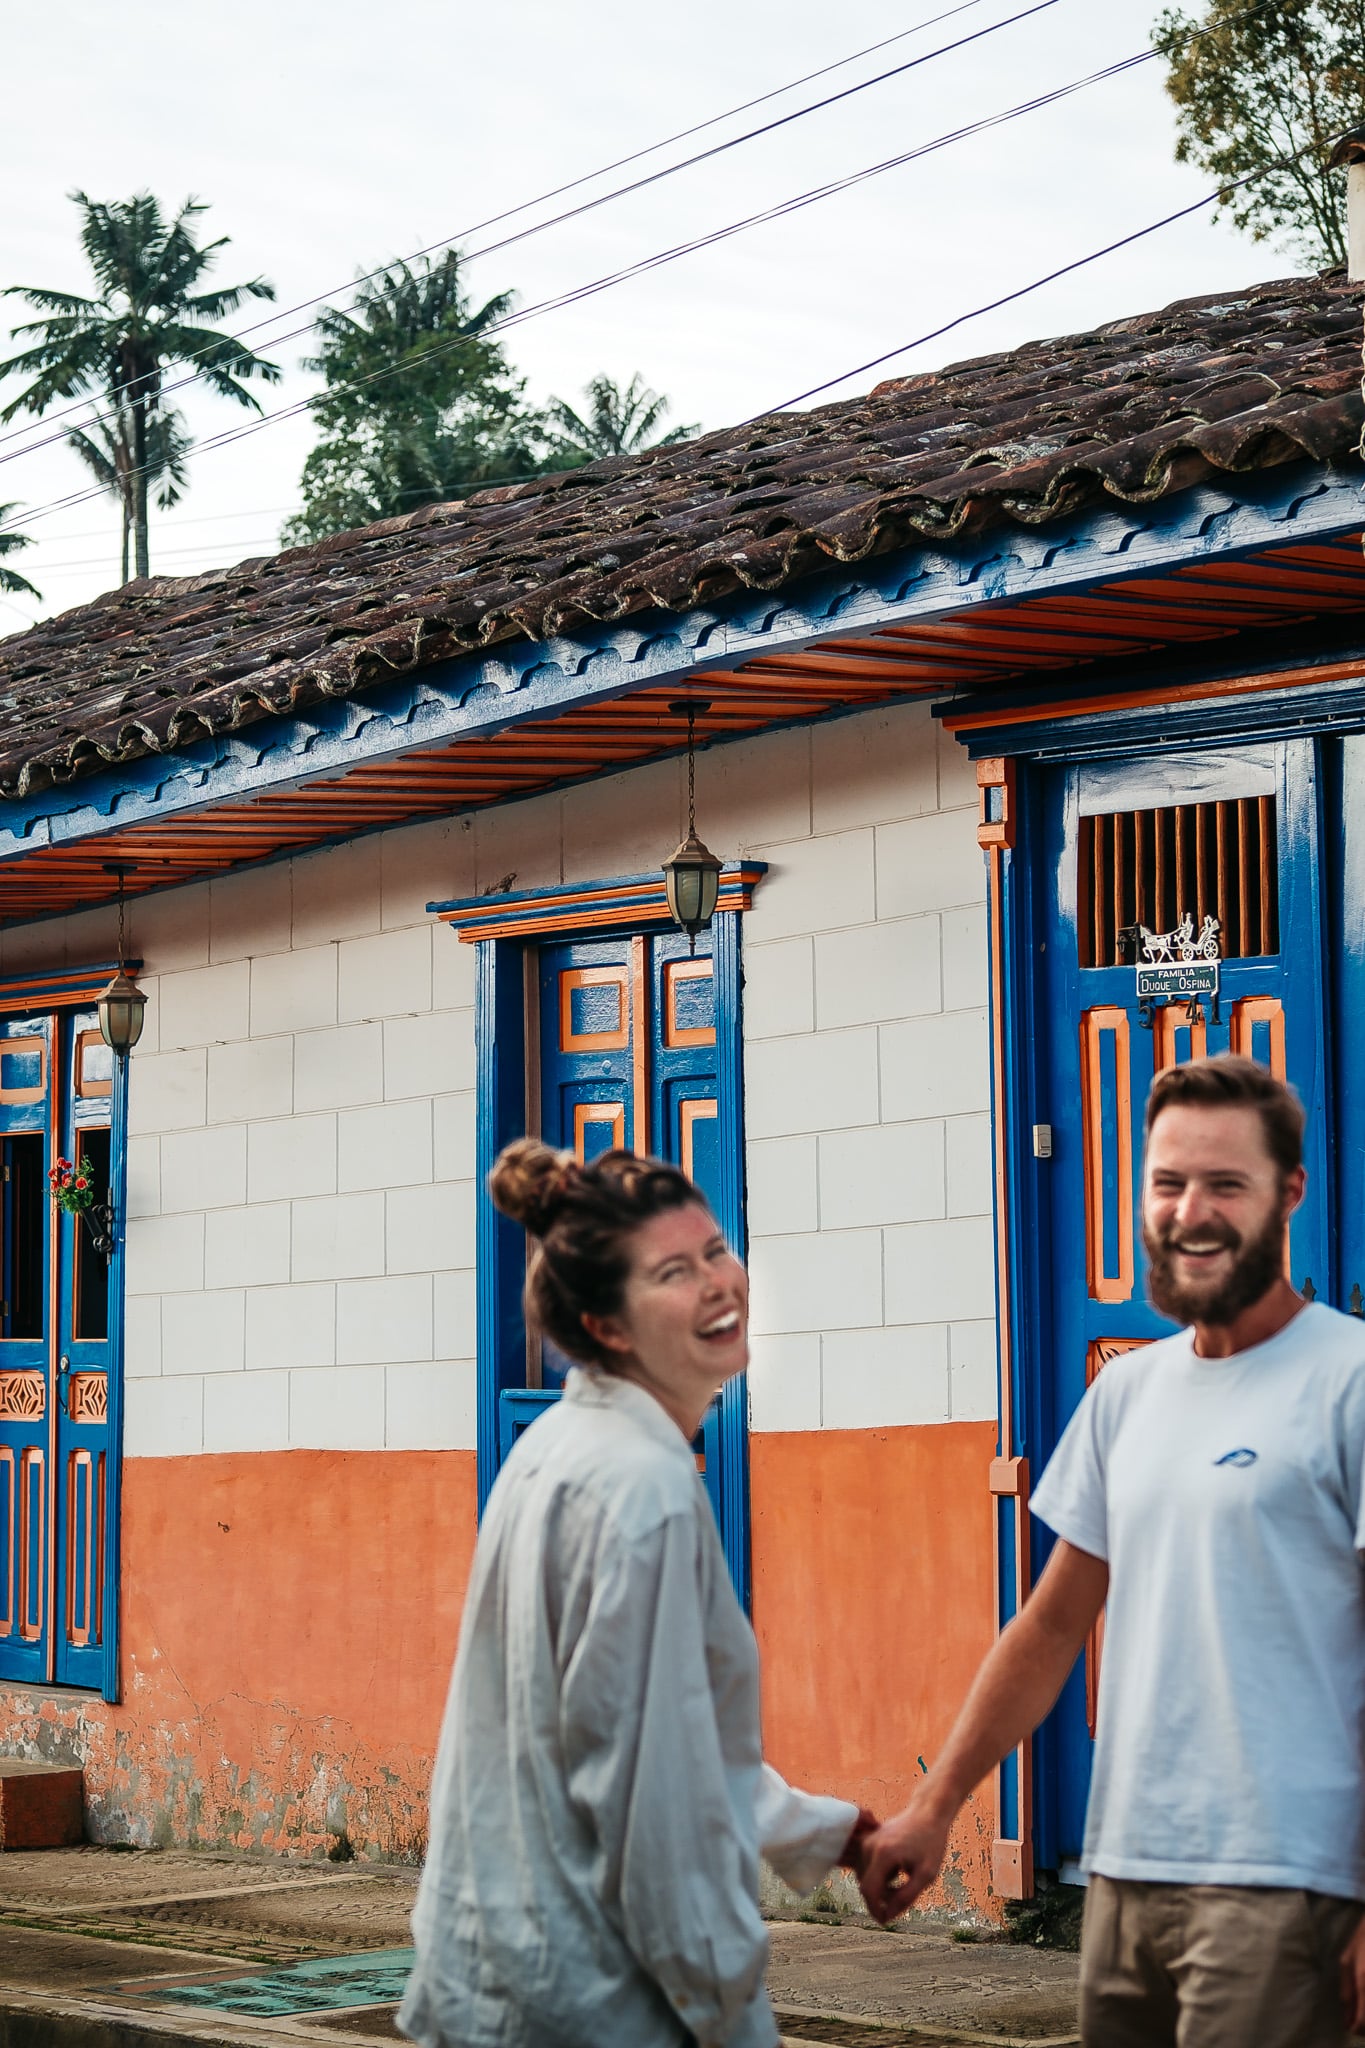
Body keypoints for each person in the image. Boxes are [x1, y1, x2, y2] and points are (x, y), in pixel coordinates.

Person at [861, 1054, 1365, 2048]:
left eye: (1227, 1182)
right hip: (1127, 1871)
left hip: (1287, 1881)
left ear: (1290, 1192)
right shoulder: (1127, 1393)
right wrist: (934, 1803)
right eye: (1169, 1181)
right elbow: (1049, 1627)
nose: (1192, 1210)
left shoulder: (1346, 1379)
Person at [399, 1139, 874, 2048]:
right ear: (608, 1325)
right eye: (671, 1273)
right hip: (598, 1999)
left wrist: (833, 1834)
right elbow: (650, 1804)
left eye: (715, 1252)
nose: (717, 1285)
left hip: (500, 1978)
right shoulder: (641, 1493)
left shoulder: (558, 1449)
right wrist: (727, 2002)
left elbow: (668, 1745)